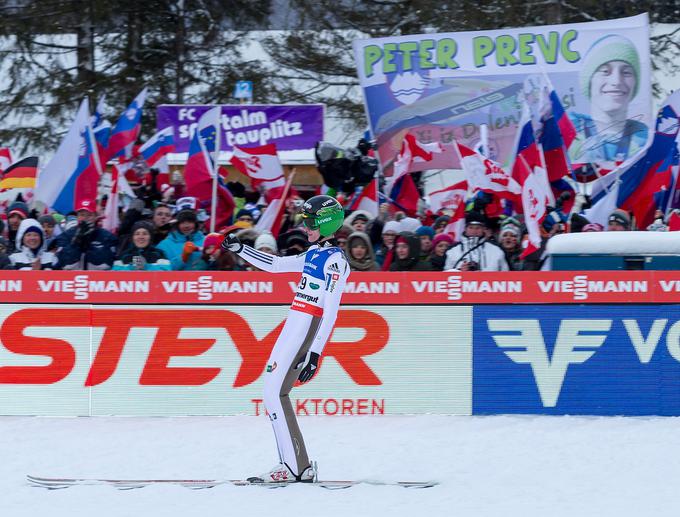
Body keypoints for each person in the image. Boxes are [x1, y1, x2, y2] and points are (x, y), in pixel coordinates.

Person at [221, 194, 349, 484]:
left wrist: (316, 352)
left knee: (274, 394)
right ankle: (296, 465)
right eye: (305, 222)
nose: (306, 228)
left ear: (328, 224)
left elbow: (331, 310)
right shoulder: (314, 253)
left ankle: (294, 467)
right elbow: (277, 265)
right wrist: (241, 248)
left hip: (307, 325)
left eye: (311, 223)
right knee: (272, 394)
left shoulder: (335, 260)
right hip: (294, 324)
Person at [570, 35, 648, 168]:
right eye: (605, 71)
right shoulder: (566, 137)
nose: (616, 81)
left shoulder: (648, 143)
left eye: (627, 72)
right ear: (589, 81)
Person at [55, 200, 118, 270]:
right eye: (82, 215)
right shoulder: (66, 235)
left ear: (95, 216)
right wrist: (76, 242)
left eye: (89, 215)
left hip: (98, 279)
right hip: (72, 278)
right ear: (77, 216)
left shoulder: (107, 236)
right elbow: (63, 261)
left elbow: (107, 263)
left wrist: (89, 245)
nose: (85, 218)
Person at [444, 211, 509, 271]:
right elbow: (445, 276)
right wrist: (459, 270)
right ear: (465, 229)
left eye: (478, 228)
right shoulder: (452, 251)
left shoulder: (496, 250)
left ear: (483, 229)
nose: (474, 231)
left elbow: (506, 275)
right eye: (471, 227)